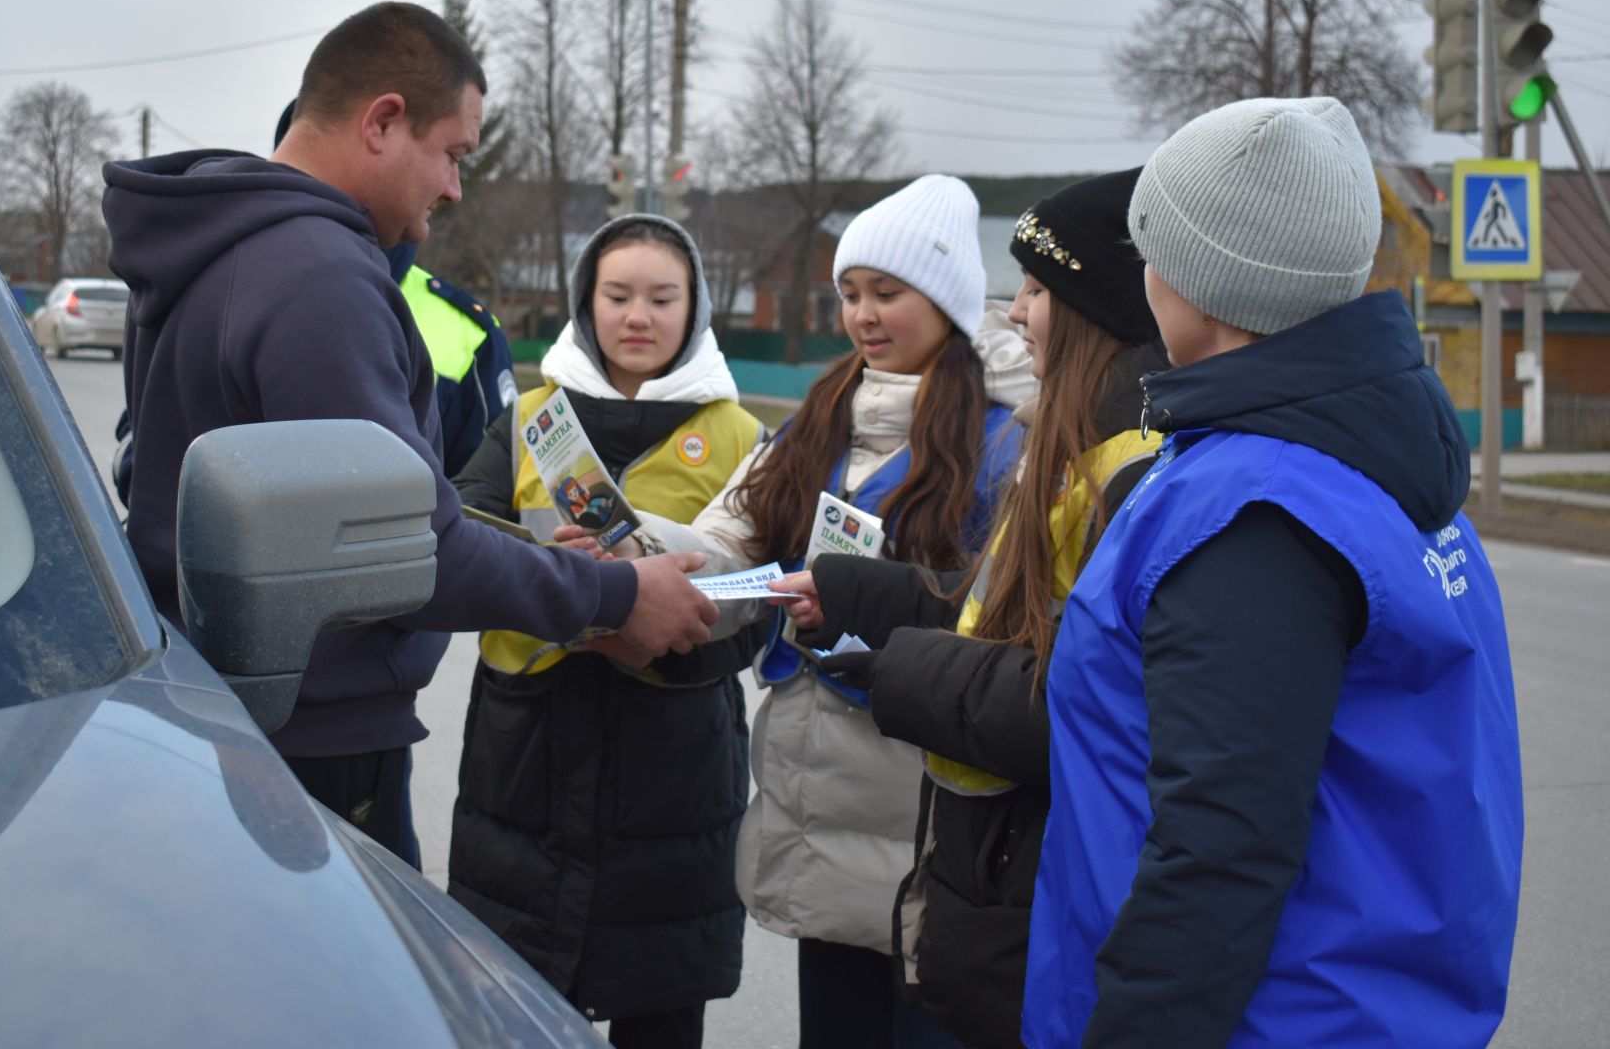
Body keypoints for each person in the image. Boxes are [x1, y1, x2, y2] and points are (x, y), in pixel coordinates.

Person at [101, 1, 717, 868]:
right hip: (312, 739)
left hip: (223, 703)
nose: (456, 189)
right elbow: (398, 553)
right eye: (453, 155)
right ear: (384, 121)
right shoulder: (320, 279)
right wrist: (613, 599)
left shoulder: (220, 245)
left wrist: (557, 565)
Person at [1022, 99, 1524, 1047]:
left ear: (1202, 283)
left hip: (1271, 1020)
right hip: (1362, 1009)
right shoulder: (1373, 465)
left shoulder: (1251, 511)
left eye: (1152, 251)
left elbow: (1220, 851)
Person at [625, 174, 1035, 1049]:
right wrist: (636, 553)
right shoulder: (818, 416)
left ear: (950, 301)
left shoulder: (1008, 443)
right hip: (816, 798)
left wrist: (872, 602)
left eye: (888, 292)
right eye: (849, 294)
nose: (863, 315)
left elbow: (1003, 617)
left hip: (929, 813)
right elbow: (728, 539)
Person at [774, 169, 1168, 1048]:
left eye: (1036, 289)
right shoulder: (1067, 440)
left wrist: (893, 671)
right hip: (983, 860)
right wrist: (848, 589)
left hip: (1030, 864)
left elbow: (1075, 694)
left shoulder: (1125, 471)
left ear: (1094, 307)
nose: (1017, 311)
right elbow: (986, 615)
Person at [445, 214, 765, 1049]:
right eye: (617, 295)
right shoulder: (529, 418)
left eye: (663, 298)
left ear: (693, 308)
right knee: (514, 1007)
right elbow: (463, 537)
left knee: (659, 1009)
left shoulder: (738, 436)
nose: (639, 316)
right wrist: (555, 575)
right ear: (586, 304)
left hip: (673, 767)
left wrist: (657, 635)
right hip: (526, 757)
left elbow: (758, 610)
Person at [276, 96, 516, 478]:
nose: (453, 190)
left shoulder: (470, 334)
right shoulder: (218, 287)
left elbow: (486, 504)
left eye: (457, 159)